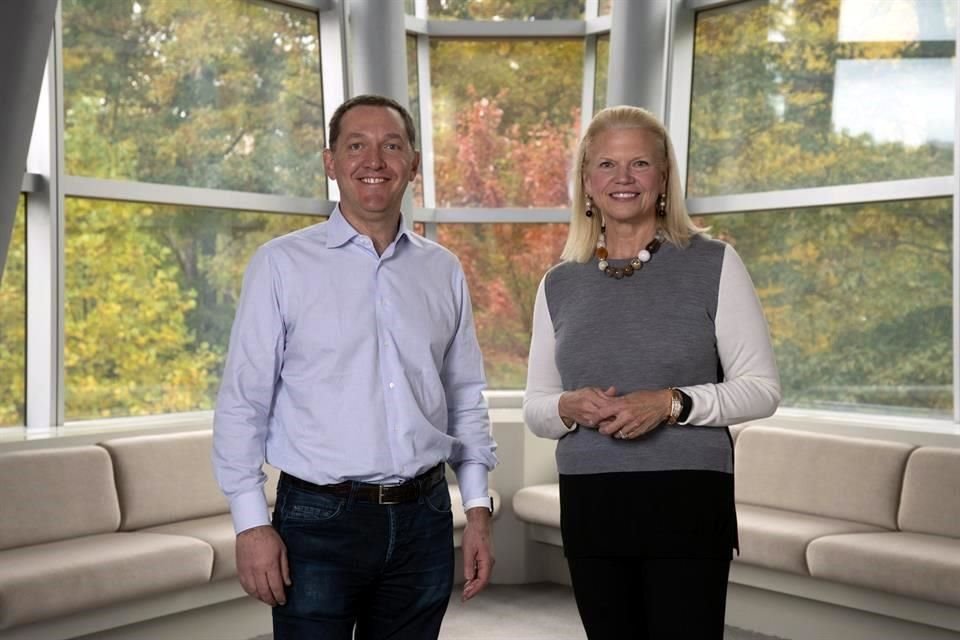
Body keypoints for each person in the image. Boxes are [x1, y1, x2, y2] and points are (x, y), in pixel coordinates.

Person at [212, 94, 497, 640]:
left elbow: (464, 396)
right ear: (330, 162)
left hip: (425, 518)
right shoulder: (280, 264)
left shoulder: (443, 270)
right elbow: (244, 401)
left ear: (413, 164)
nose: (375, 161)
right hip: (317, 522)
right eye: (356, 146)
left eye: (391, 146)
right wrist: (250, 523)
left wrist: (478, 507)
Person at [523, 105, 780, 639]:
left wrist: (671, 404)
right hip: (592, 502)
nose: (623, 179)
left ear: (663, 177)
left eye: (639, 163)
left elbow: (761, 390)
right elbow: (537, 407)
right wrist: (567, 407)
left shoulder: (714, 262)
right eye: (607, 165)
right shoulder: (558, 282)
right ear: (586, 183)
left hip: (685, 500)